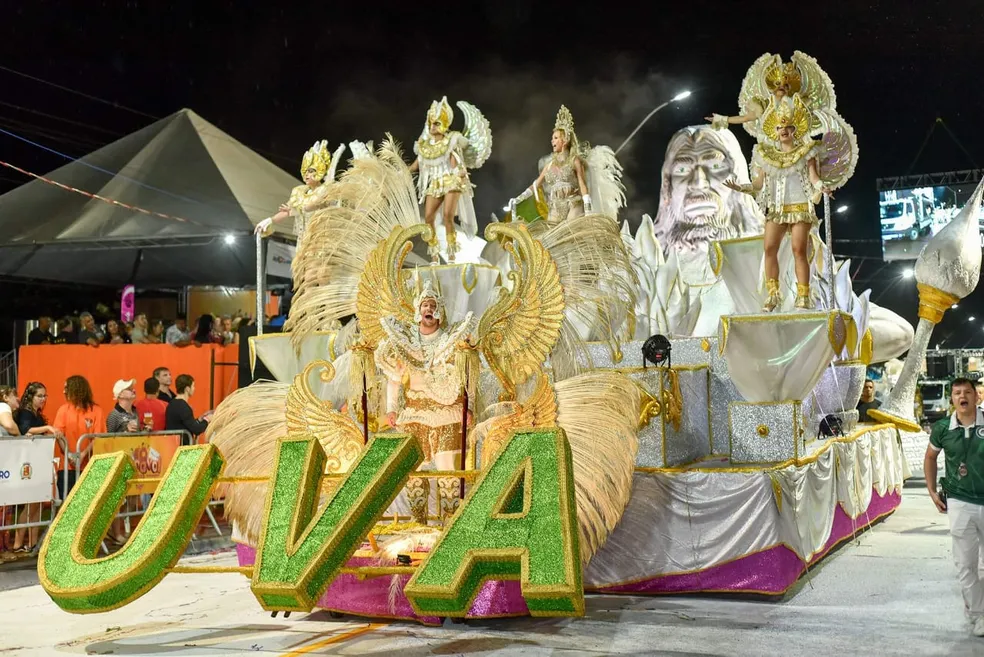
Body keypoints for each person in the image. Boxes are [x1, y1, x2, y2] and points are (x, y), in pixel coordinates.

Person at [375, 278, 476, 525]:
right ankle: (418, 524)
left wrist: (469, 406)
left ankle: (450, 525)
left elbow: (467, 377)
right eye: (424, 306)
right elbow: (394, 380)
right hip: (414, 414)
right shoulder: (405, 342)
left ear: (439, 312)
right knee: (415, 472)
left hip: (447, 413)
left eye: (432, 305)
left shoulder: (452, 342)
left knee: (448, 473)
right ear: (418, 311)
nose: (428, 309)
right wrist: (391, 409)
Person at [725, 95, 832, 311]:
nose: (783, 130)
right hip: (777, 209)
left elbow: (813, 177)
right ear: (774, 131)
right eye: (779, 127)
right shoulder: (766, 155)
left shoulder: (806, 152)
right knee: (769, 248)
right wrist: (740, 187)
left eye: (788, 127)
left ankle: (804, 295)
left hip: (801, 206)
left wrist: (822, 186)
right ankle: (773, 295)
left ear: (795, 130)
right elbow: (758, 184)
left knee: (798, 250)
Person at [925, 377, 984, 637]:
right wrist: (930, 490)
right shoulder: (942, 428)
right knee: (965, 564)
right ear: (952, 398)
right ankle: (978, 615)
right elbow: (930, 457)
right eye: (957, 393)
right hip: (960, 501)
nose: (963, 396)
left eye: (967, 392)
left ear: (976, 397)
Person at [408, 96, 491, 262]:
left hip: (451, 181)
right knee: (429, 217)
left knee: (447, 216)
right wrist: (398, 171)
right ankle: (434, 254)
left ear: (444, 124)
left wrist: (459, 172)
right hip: (435, 184)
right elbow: (415, 166)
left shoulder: (451, 141)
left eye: (437, 123)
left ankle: (452, 253)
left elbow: (455, 164)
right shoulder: (425, 146)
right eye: (431, 123)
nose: (432, 126)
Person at [254, 141, 345, 249]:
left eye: (311, 171)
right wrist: (270, 220)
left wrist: (295, 209)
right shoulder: (299, 192)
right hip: (302, 243)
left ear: (320, 171)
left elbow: (313, 205)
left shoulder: (326, 190)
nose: (307, 174)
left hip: (322, 243)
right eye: (305, 171)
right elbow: (286, 212)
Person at [53, 375, 106, 500]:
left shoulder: (96, 410)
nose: (63, 391)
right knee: (68, 504)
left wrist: (83, 454)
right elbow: (59, 434)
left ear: (77, 388)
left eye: (67, 387)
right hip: (67, 467)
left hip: (90, 465)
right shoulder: (63, 410)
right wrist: (69, 455)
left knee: (88, 504)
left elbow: (98, 436)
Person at [164, 374, 211, 443]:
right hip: (181, 447)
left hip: (174, 445)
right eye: (193, 386)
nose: (194, 388)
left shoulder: (173, 403)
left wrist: (199, 420)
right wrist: (208, 419)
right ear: (187, 389)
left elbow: (187, 423)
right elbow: (196, 429)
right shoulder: (182, 406)